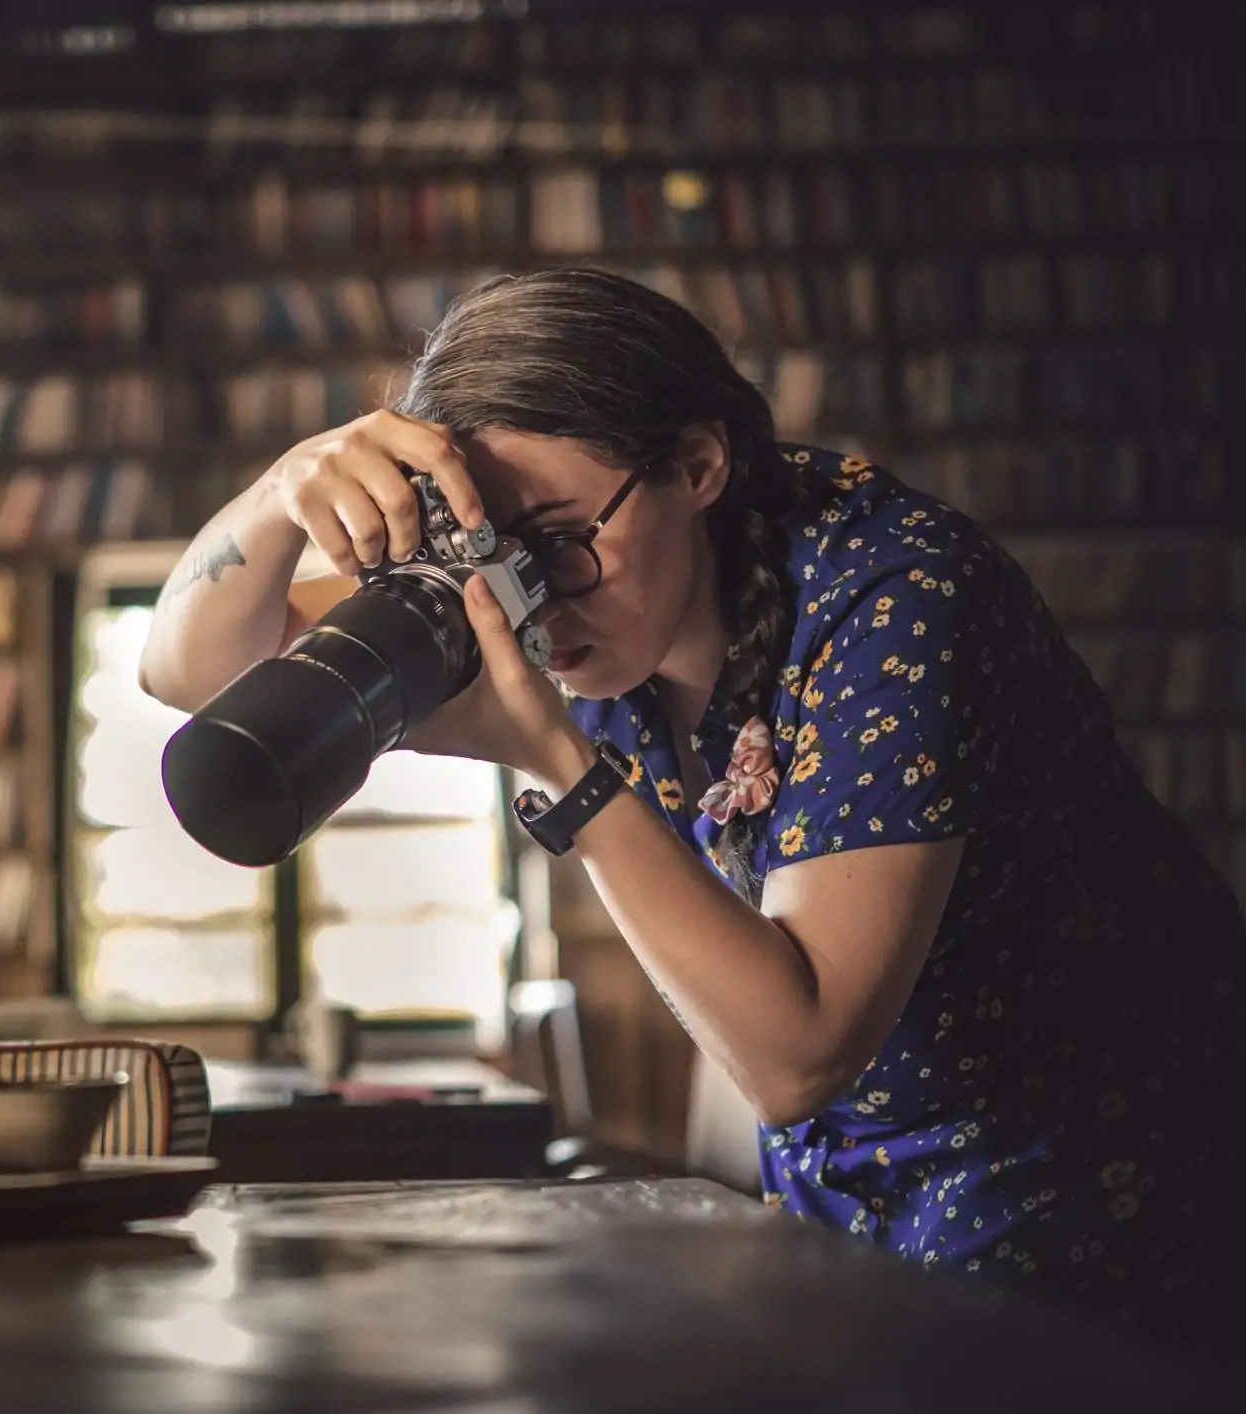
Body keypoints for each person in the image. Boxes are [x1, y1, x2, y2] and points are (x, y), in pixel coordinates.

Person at [138, 267, 1245, 1357]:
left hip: (1099, 1212)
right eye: (490, 549)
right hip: (849, 1222)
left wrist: (554, 766)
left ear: (699, 464)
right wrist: (284, 487)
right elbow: (193, 674)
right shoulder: (595, 607)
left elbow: (798, 1054)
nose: (532, 593)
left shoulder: (902, 599)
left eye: (561, 538)